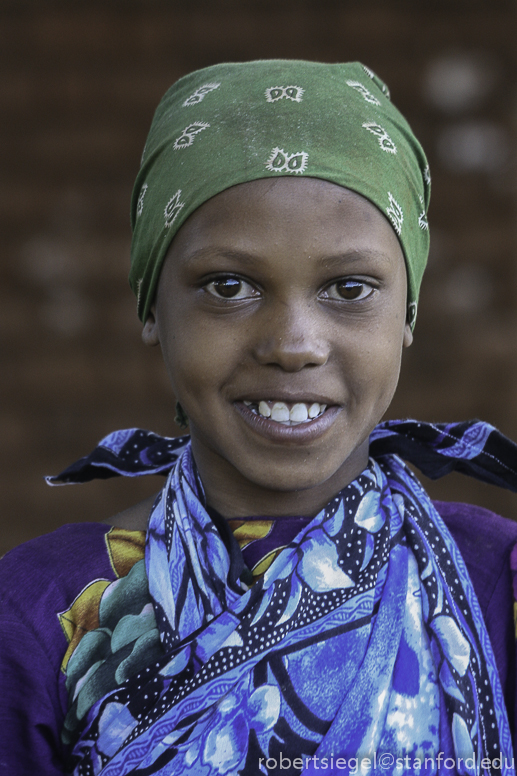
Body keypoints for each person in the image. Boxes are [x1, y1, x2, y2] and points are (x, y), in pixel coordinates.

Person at [1, 60, 516, 776]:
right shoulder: (38, 614)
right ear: (152, 307)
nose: (293, 344)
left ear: (406, 312)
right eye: (229, 285)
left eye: (348, 288)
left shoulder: (495, 586)